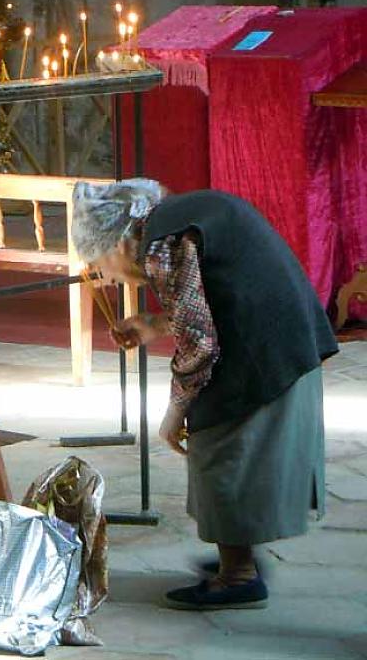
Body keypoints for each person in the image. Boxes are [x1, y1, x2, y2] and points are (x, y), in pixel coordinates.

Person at [71, 180, 338, 610]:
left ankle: (238, 577)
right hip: (283, 337)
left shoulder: (162, 246)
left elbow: (201, 345)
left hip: (265, 349)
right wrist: (154, 326)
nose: (109, 277)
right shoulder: (176, 218)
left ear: (118, 243)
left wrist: (175, 411)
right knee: (232, 449)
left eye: (101, 264)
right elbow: (208, 299)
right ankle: (239, 558)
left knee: (217, 444)